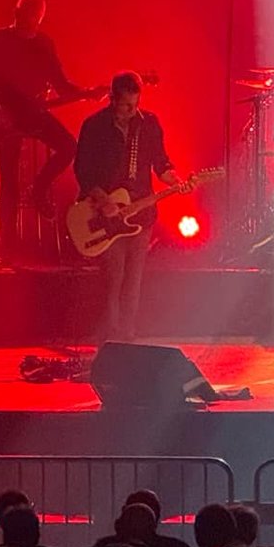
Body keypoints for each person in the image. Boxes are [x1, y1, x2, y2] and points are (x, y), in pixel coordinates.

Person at [0, 0, 93, 250]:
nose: (30, 23)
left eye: (35, 19)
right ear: (16, 14)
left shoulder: (44, 44)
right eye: (26, 16)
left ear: (40, 19)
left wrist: (88, 94)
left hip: (32, 113)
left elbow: (61, 85)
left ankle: (39, 188)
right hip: (3, 118)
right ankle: (9, 246)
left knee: (69, 146)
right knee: (10, 180)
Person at [75, 71, 189, 344]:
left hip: (141, 212)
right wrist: (104, 201)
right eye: (125, 104)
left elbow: (161, 163)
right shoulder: (94, 125)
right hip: (104, 212)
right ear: (112, 98)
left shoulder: (148, 124)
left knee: (134, 278)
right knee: (114, 276)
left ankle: (128, 335)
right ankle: (110, 336)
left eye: (135, 104)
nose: (131, 110)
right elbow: (82, 169)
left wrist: (176, 180)